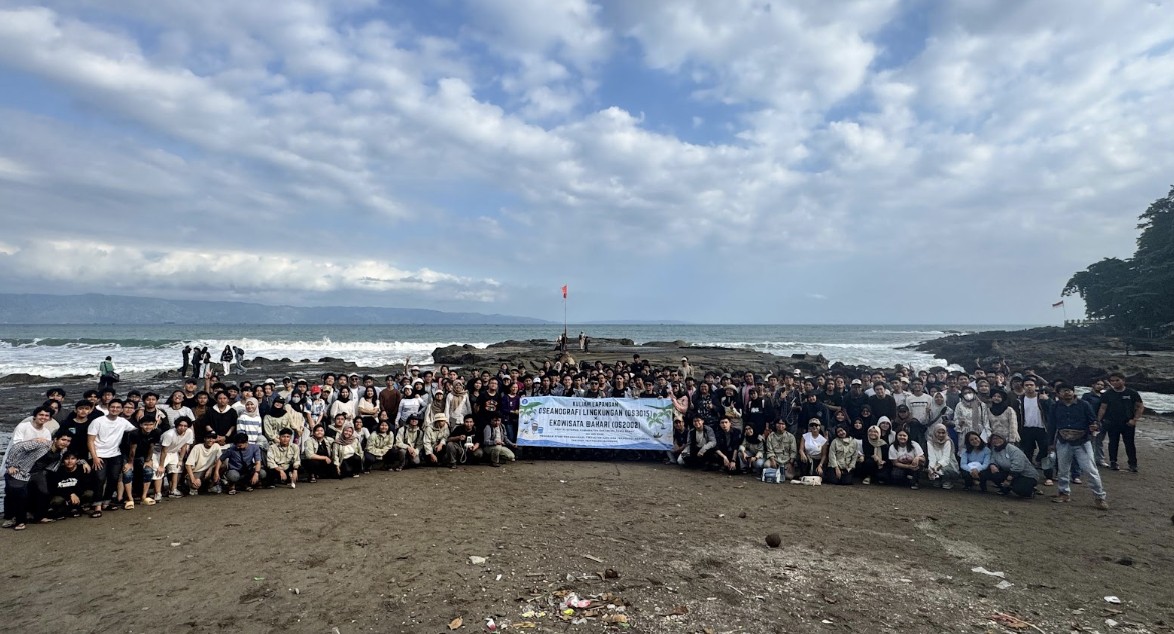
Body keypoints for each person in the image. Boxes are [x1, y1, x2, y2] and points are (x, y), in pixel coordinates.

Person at [1049, 383, 1109, 510]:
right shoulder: (1055, 406)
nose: (1067, 393)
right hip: (1063, 441)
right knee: (1063, 470)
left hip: (1082, 442)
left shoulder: (1084, 405)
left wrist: (1095, 426)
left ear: (1073, 391)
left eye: (1069, 390)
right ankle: (1064, 493)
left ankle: (1099, 497)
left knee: (1090, 470)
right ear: (1058, 394)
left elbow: (1094, 421)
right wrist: (1050, 443)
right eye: (1064, 391)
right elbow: (1052, 426)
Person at [87, 399, 136, 514]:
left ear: (121, 409)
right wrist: (94, 457)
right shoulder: (98, 421)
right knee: (100, 479)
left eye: (118, 407)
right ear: (108, 408)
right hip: (99, 455)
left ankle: (106, 502)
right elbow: (90, 441)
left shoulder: (122, 421)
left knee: (113, 479)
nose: (115, 409)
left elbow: (136, 431)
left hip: (115, 454)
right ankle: (97, 506)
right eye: (113, 407)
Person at [1097, 372, 1143, 472]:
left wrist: (1134, 419)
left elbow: (1140, 406)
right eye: (1112, 381)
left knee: (1129, 443)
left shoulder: (1132, 393)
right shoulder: (1108, 394)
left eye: (1117, 380)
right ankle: (1113, 462)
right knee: (1113, 443)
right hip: (1112, 422)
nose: (1115, 382)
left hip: (1128, 423)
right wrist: (1098, 421)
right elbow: (1103, 408)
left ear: (1123, 381)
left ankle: (1133, 464)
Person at [123, 417, 163, 507]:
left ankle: (144, 496)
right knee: (128, 473)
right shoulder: (134, 433)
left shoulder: (156, 432)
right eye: (145, 424)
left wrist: (148, 460)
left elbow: (152, 446)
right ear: (141, 425)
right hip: (128, 455)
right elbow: (132, 450)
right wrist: (130, 463)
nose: (148, 427)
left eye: (151, 424)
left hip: (143, 455)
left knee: (148, 471)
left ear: (154, 425)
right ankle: (130, 499)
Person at [983, 433, 1038, 498]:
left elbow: (1018, 466)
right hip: (1009, 472)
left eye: (998, 438)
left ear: (1004, 439)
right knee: (990, 473)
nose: (996, 440)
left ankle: (1031, 490)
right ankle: (1005, 489)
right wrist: (992, 465)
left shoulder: (1013, 450)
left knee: (1020, 489)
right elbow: (993, 458)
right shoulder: (994, 449)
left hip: (1025, 475)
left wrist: (1008, 480)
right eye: (993, 439)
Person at [47, 450, 93, 519]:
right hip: (64, 496)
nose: (69, 461)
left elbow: (85, 486)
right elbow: (55, 488)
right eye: (67, 459)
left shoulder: (82, 469)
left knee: (89, 493)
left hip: (78, 495)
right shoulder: (58, 471)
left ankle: (80, 508)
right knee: (56, 501)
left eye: (73, 459)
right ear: (63, 460)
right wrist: (70, 494)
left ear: (77, 460)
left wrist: (75, 494)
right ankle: (64, 511)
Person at [184, 426, 223, 495]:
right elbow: (188, 465)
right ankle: (190, 485)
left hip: (208, 470)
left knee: (223, 465)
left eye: (213, 438)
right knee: (196, 485)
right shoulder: (197, 447)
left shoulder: (216, 446)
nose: (211, 440)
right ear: (204, 439)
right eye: (208, 438)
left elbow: (220, 460)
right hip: (197, 471)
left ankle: (211, 486)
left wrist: (211, 468)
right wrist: (193, 479)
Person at [924, 423, 959, 489]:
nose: (941, 435)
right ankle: (938, 479)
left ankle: (947, 480)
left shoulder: (948, 441)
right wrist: (932, 467)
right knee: (931, 469)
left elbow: (946, 457)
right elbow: (931, 457)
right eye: (939, 432)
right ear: (935, 432)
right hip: (935, 462)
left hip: (948, 462)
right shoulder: (930, 442)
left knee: (946, 469)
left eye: (943, 433)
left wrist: (938, 466)